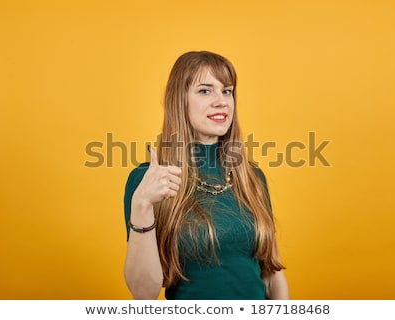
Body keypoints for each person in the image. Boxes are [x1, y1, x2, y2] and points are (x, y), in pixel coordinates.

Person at [123, 51, 289, 300]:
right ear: (179, 100)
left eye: (227, 91)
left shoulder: (252, 176)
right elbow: (144, 294)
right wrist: (142, 204)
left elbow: (271, 274)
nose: (222, 101)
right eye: (205, 90)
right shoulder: (148, 181)